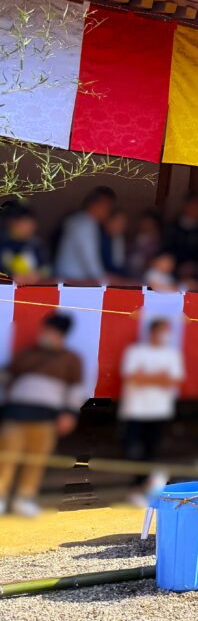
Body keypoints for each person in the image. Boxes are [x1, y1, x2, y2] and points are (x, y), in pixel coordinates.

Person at [0, 312, 82, 516]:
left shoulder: (71, 359)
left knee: (36, 460)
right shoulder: (27, 353)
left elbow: (75, 390)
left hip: (47, 418)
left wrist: (70, 414)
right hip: (16, 414)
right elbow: (6, 376)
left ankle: (24, 498)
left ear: (61, 335)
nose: (46, 335)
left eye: (51, 332)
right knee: (6, 457)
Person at [118, 317, 184, 505]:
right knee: (133, 450)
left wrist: (146, 376)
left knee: (152, 450)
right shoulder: (136, 351)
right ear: (152, 332)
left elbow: (173, 380)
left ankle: (146, 487)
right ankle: (135, 487)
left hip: (159, 410)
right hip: (135, 410)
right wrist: (159, 377)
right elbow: (131, 376)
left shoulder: (172, 354)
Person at [53, 185, 115, 282]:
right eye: (107, 207)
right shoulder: (85, 224)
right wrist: (104, 281)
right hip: (71, 282)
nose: (108, 212)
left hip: (68, 279)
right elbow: (89, 258)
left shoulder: (80, 220)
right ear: (96, 204)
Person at [165, 193, 198, 284]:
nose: (194, 210)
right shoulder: (173, 227)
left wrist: (195, 265)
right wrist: (177, 265)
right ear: (185, 206)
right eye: (191, 206)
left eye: (197, 207)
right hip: (173, 272)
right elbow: (167, 249)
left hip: (196, 275)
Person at [0, 203, 45, 283]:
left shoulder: (36, 244)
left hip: (31, 289)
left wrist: (37, 275)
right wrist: (10, 276)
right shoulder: (3, 243)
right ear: (12, 223)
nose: (29, 227)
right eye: (23, 223)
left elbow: (46, 268)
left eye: (31, 223)